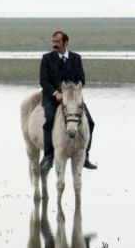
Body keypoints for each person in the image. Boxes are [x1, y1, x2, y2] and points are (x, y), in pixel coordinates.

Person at [40, 31, 97, 171]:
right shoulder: (46, 58)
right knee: (49, 121)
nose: (54, 44)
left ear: (65, 43)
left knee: (90, 122)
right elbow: (43, 81)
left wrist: (74, 91)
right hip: (53, 97)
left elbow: (82, 80)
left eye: (57, 42)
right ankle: (48, 157)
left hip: (72, 98)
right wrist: (55, 93)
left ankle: (86, 156)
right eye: (53, 41)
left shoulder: (76, 58)